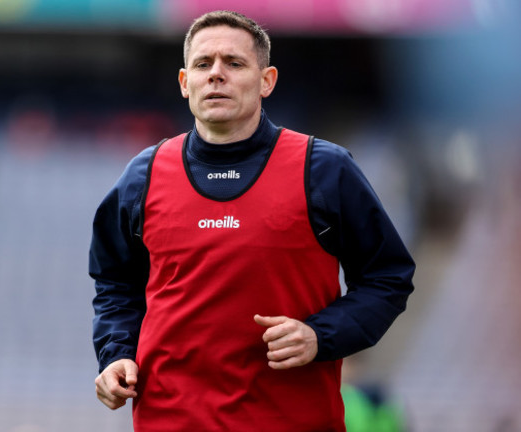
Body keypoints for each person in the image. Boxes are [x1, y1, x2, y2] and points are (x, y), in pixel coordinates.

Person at [90, 10, 415, 432]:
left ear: (267, 81)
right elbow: (115, 283)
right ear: (185, 83)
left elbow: (388, 276)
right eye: (204, 64)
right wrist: (116, 354)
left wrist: (322, 335)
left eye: (235, 63)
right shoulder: (143, 175)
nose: (217, 75)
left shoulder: (323, 169)